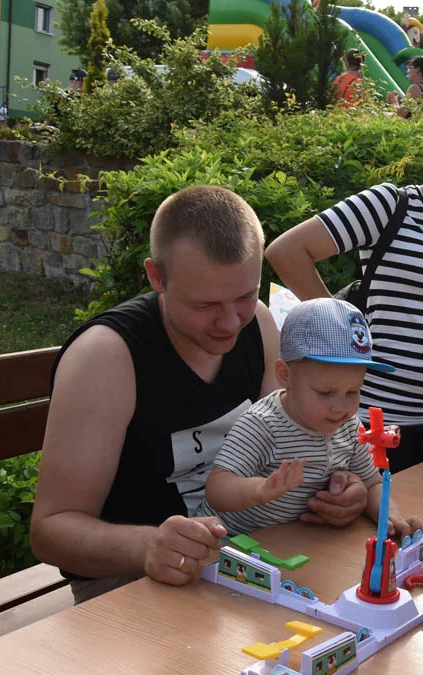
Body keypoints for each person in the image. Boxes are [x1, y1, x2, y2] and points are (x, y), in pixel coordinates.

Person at [30, 185, 370, 604]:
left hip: (252, 556)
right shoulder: (106, 357)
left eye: (245, 295)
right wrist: (151, 545)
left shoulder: (259, 325)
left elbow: (292, 437)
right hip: (132, 581)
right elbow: (51, 531)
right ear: (157, 276)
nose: (229, 323)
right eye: (205, 304)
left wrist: (340, 487)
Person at [266, 96, 423, 473]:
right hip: (373, 423)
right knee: (364, 527)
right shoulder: (389, 207)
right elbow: (286, 251)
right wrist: (339, 327)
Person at [198, 297, 423, 539]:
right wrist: (260, 489)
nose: (340, 408)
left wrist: (392, 519)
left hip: (295, 545)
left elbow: (372, 484)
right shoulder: (263, 424)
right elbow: (217, 488)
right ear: (285, 376)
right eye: (325, 393)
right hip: (229, 545)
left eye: (353, 392)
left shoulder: (348, 426)